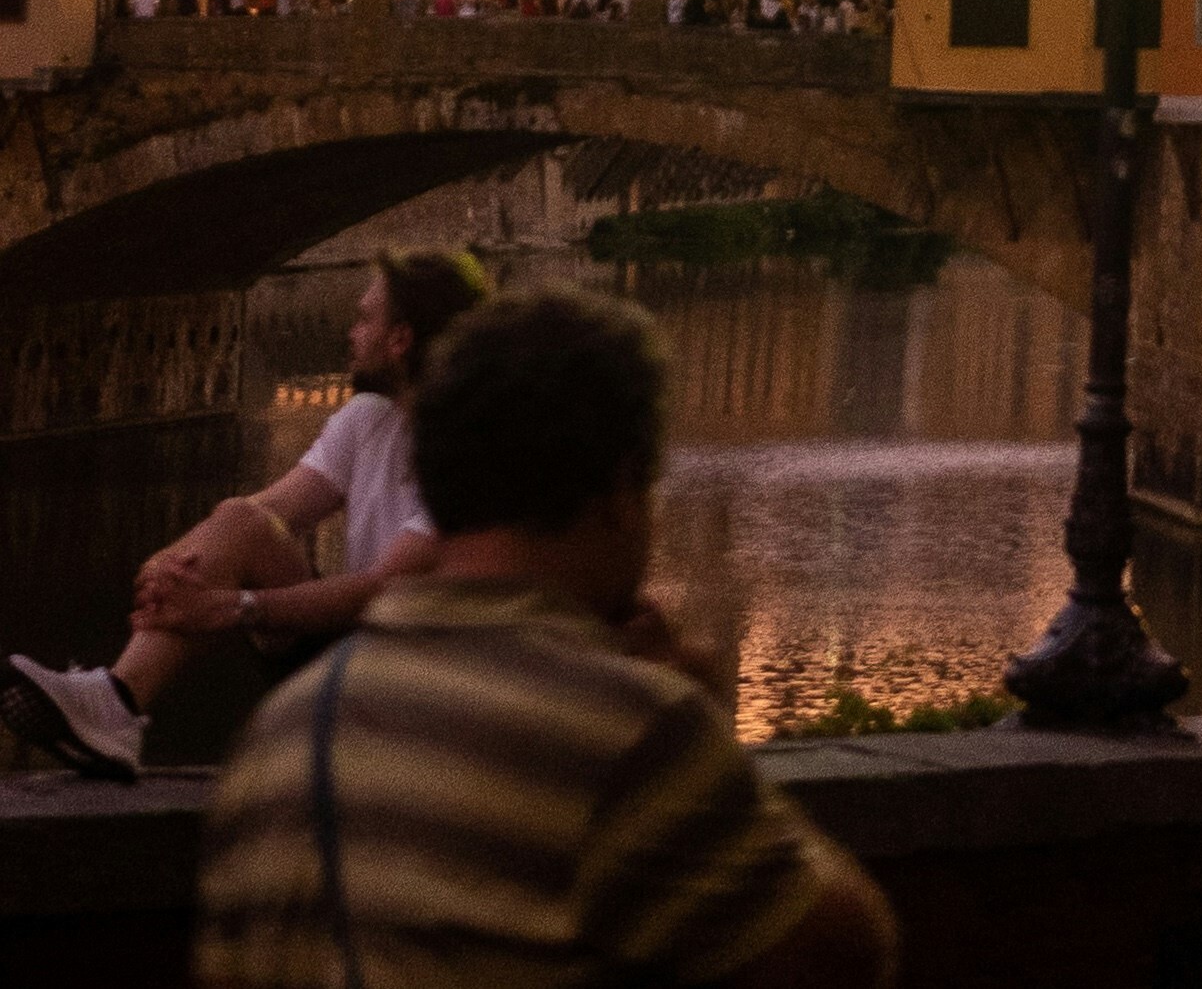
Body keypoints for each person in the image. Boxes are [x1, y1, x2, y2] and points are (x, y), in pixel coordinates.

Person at [194, 285, 892, 989]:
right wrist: (708, 722)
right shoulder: (631, 728)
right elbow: (845, 953)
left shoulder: (274, 739)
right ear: (621, 494)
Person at [7, 250, 493, 784]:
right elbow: (265, 512)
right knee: (241, 519)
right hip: (354, 663)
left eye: (363, 318)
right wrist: (170, 566)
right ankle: (116, 702)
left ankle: (112, 705)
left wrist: (233, 607)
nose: (351, 333)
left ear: (399, 340)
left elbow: (381, 591)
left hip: (421, 694)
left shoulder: (473, 453)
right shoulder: (368, 421)